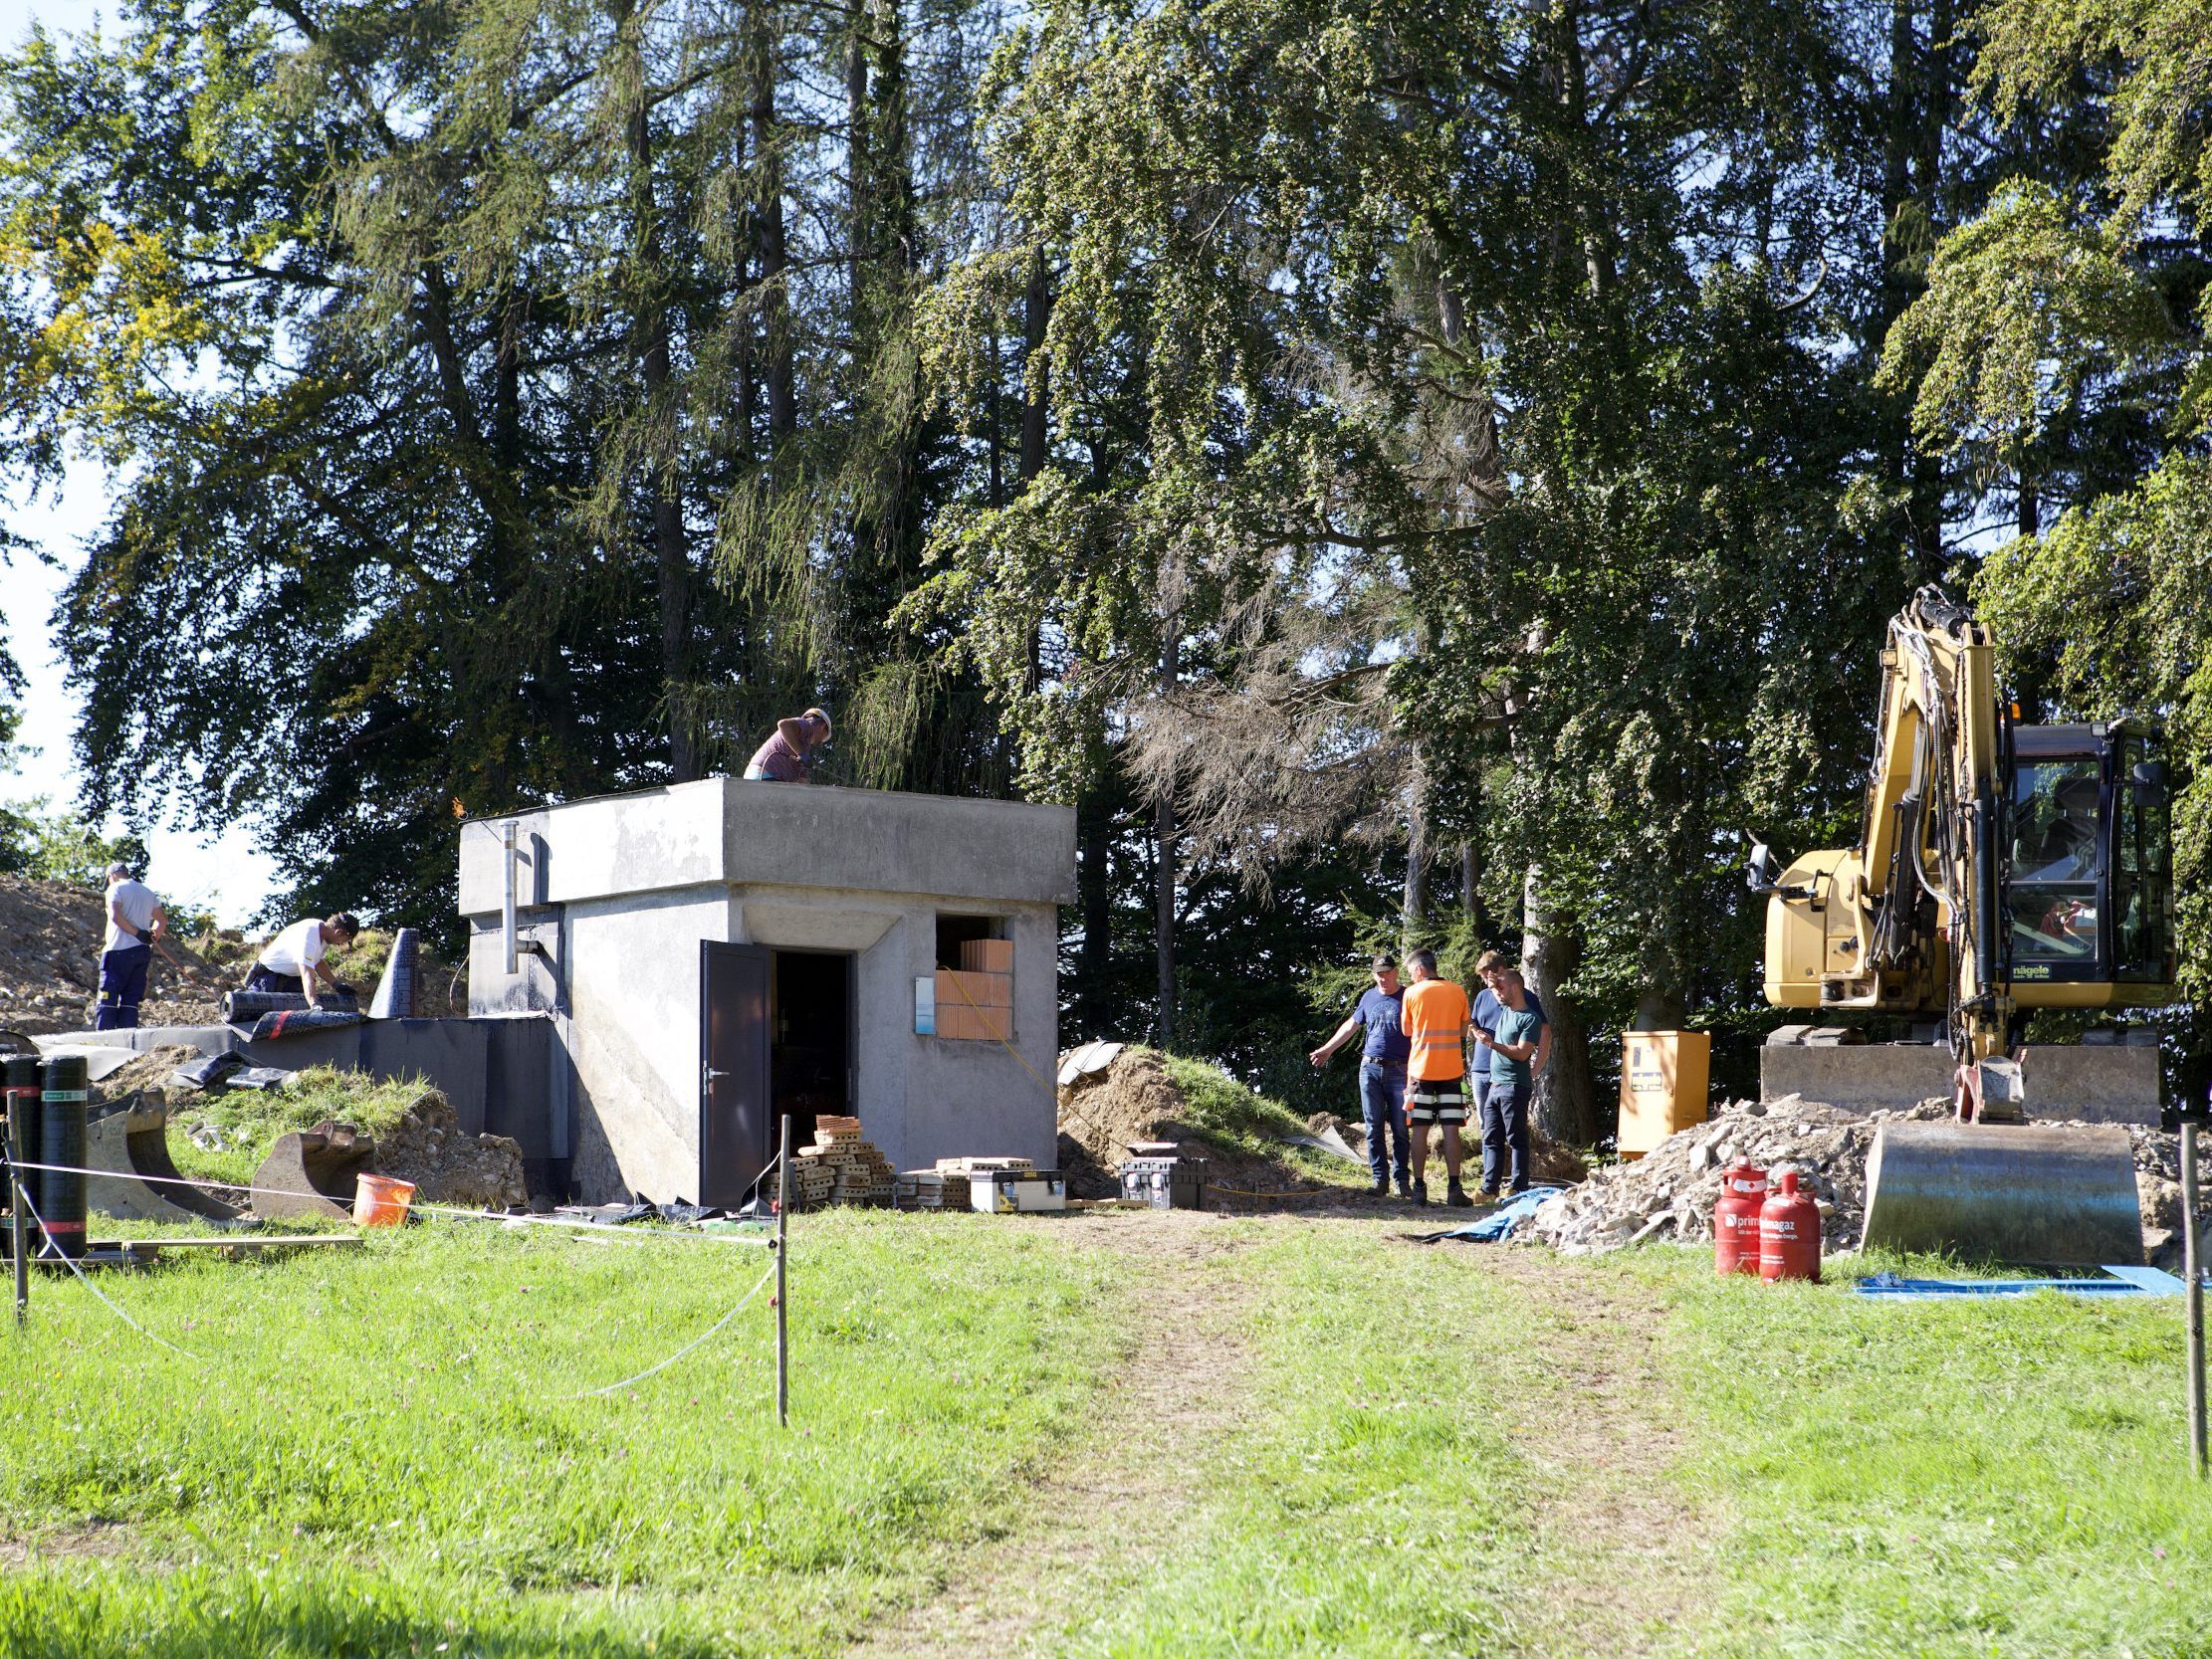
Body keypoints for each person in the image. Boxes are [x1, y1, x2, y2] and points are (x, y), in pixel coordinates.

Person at [1308, 951, 1413, 1197]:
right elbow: (1351, 1026)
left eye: (1387, 973)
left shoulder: (1408, 996)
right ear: (1374, 975)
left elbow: (1421, 1031)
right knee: (1373, 1126)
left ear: (1396, 972)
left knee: (1400, 1128)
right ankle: (1379, 1180)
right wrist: (1327, 1049)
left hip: (1401, 1069)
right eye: (1379, 974)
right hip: (1370, 1068)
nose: (1383, 978)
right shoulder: (1368, 997)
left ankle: (1402, 1181)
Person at [1471, 947, 1552, 1197]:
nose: (1492, 990)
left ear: (1508, 982)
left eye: (1495, 984)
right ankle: (1489, 1189)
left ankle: (1518, 1188)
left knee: (1516, 1137)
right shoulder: (1501, 1004)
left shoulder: (1528, 1014)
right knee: (1491, 1136)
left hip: (1514, 1083)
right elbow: (1473, 1020)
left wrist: (1534, 1070)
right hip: (1492, 1081)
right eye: (1488, 984)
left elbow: (1522, 1052)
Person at [1399, 947, 1475, 1207]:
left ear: (1419, 970)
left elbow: (1407, 1030)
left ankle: (1419, 1188)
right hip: (1452, 1070)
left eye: (1411, 972)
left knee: (1419, 1130)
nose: (1411, 977)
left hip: (1420, 1071)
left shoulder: (1411, 993)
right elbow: (1464, 1029)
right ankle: (1455, 1189)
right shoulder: (1458, 991)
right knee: (1451, 1130)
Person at [96, 861, 166, 1030]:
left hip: (118, 950)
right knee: (130, 1000)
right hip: (142, 953)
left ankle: (104, 1041)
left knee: (107, 998)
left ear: (113, 875)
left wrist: (136, 933)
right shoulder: (147, 893)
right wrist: (152, 936)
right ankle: (128, 1041)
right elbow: (162, 920)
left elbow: (114, 916)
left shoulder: (116, 888)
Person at [246, 912, 360, 1005]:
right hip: (268, 978)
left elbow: (318, 962)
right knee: (261, 1019)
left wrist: (336, 984)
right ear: (339, 932)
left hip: (290, 979)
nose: (342, 944)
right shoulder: (309, 937)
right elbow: (307, 974)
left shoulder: (323, 933)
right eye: (346, 940)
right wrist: (314, 1004)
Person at [744, 708, 832, 782]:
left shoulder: (803, 744)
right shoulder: (807, 725)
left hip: (763, 776)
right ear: (822, 726)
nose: (821, 742)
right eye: (823, 737)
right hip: (764, 775)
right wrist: (802, 754)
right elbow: (783, 725)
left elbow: (802, 779)